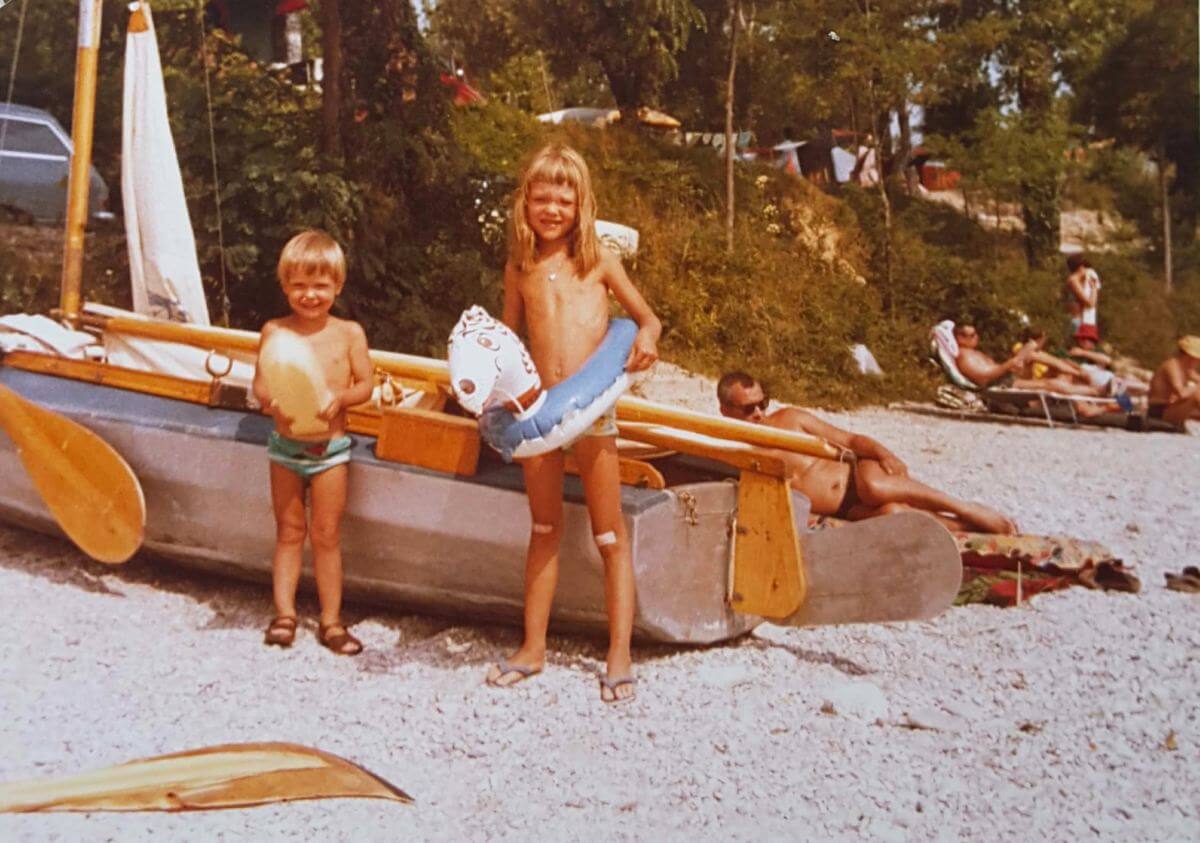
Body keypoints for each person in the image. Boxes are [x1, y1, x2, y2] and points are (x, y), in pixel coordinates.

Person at [485, 144, 661, 704]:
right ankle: (533, 646)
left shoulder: (600, 262)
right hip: (539, 415)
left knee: (610, 535)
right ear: (525, 203)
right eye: (542, 197)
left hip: (593, 416)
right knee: (543, 530)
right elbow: (507, 341)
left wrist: (650, 340)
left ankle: (619, 653)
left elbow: (646, 318)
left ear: (580, 204)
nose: (552, 207)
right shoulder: (519, 267)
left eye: (564, 197)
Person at [251, 230, 374, 655]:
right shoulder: (274, 331)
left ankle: (331, 622)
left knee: (325, 535)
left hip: (331, 452)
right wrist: (274, 405)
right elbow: (261, 385)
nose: (309, 295)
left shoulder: (348, 333)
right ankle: (284, 615)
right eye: (299, 285)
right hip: (285, 450)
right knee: (288, 532)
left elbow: (366, 385)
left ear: (337, 287)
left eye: (320, 285)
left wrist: (340, 397)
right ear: (285, 286)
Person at [716, 372, 1017, 535]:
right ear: (725, 410)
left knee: (875, 489)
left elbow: (849, 439)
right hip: (844, 510)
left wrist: (884, 454)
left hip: (859, 474)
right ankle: (968, 529)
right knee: (892, 515)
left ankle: (967, 509)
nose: (758, 412)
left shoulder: (790, 418)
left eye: (762, 402)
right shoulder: (736, 453)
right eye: (747, 408)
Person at [1147, 336, 1200, 425]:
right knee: (1197, 393)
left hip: (1169, 407)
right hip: (1160, 411)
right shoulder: (1173, 366)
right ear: (1189, 356)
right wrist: (1196, 387)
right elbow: (1182, 393)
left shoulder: (1185, 368)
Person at [1064, 254, 1101, 339]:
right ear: (1080, 267)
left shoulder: (1081, 281)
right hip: (1076, 321)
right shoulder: (1073, 280)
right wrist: (1094, 288)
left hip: (1082, 320)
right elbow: (1089, 303)